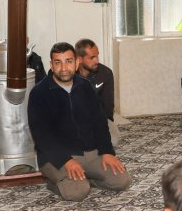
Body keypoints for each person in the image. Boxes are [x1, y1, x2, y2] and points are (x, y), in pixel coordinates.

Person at [28, 42, 131, 201]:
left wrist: (107, 152)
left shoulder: (86, 87)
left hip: (90, 153)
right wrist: (66, 161)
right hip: (55, 157)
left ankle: (85, 179)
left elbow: (100, 124)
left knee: (122, 181)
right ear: (51, 65)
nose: (63, 68)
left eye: (68, 61)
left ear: (76, 63)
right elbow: (42, 137)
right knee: (78, 192)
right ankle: (57, 182)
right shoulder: (39, 93)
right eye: (58, 62)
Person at [74, 39, 120, 146]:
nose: (97, 61)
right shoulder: (69, 75)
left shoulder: (105, 73)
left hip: (98, 120)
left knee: (113, 140)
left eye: (97, 56)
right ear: (79, 59)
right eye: (92, 58)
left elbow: (108, 108)